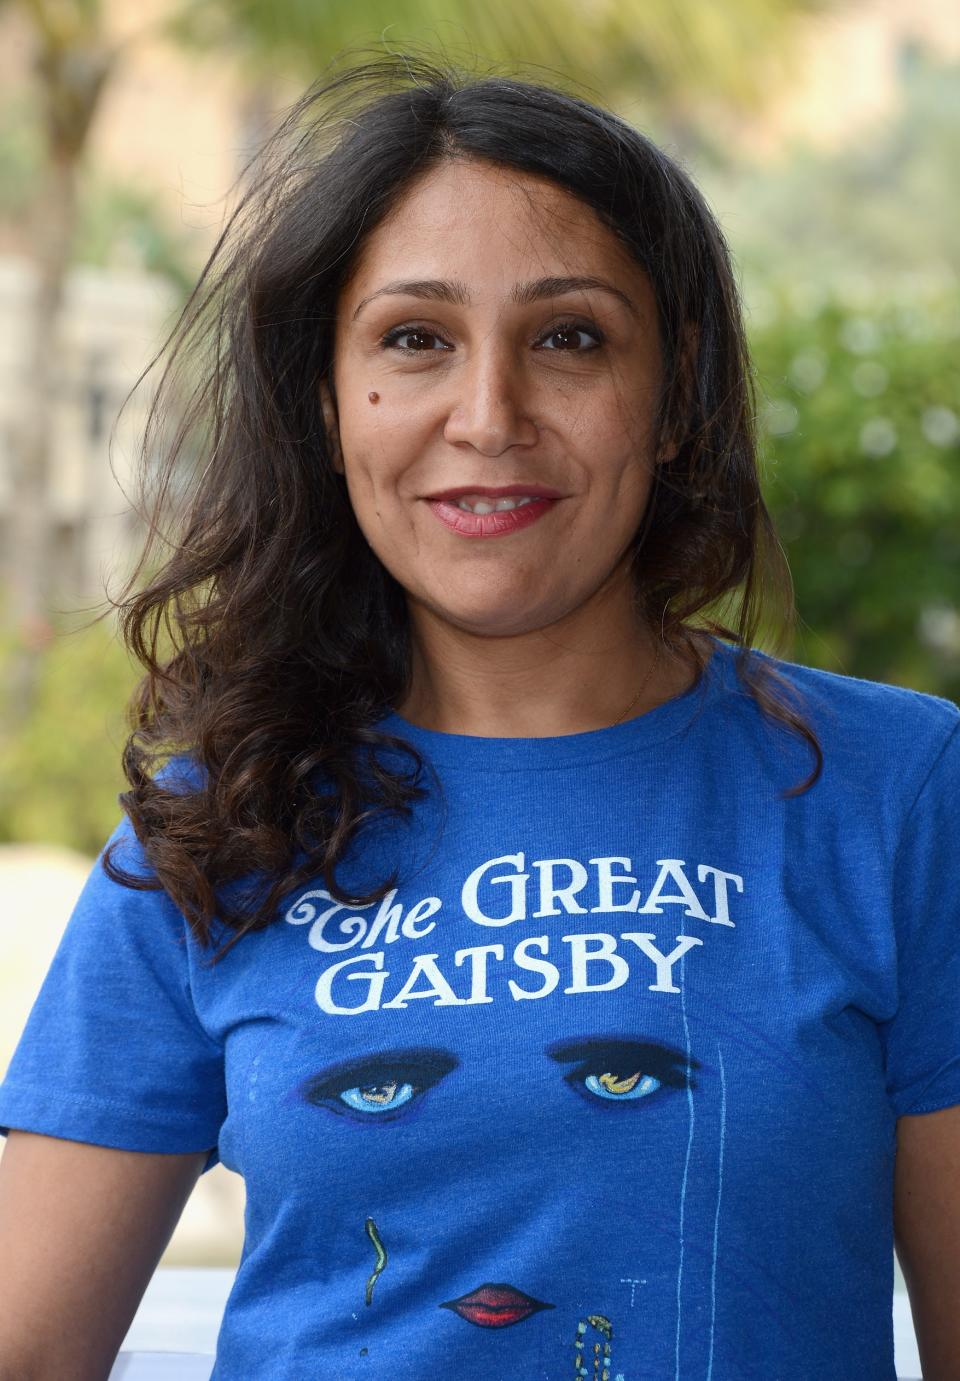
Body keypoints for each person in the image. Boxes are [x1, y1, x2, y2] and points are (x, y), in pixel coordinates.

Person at [0, 48, 957, 1381]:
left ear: (673, 396)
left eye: (569, 338)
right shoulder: (214, 819)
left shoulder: (897, 789)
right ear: (328, 404)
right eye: (414, 340)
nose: (488, 414)